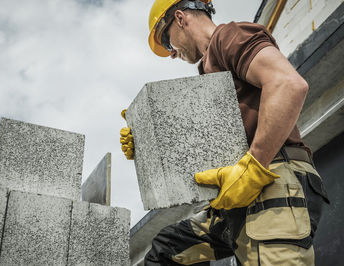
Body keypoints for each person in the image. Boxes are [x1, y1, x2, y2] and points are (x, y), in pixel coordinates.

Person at [120, 0, 330, 265]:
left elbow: (288, 84)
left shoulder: (229, 36)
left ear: (181, 18)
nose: (171, 53)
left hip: (272, 179)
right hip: (237, 195)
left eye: (168, 42)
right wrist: (147, 146)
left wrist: (253, 167)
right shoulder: (206, 73)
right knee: (168, 250)